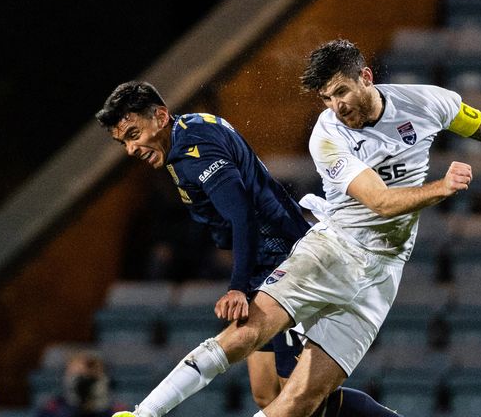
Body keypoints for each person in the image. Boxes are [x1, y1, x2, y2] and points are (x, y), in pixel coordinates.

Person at [105, 39, 481, 417]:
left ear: (365, 78)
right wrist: (440, 189)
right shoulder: (328, 134)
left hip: (382, 274)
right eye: (326, 97)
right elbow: (377, 202)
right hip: (331, 250)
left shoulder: (429, 103)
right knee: (248, 345)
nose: (335, 105)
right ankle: (144, 414)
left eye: (340, 91)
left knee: (296, 404)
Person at [96, 81, 398, 416]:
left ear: (161, 116)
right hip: (263, 263)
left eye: (134, 134)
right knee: (266, 393)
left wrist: (237, 287)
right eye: (122, 141)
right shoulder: (187, 131)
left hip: (284, 262)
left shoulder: (195, 150)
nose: (130, 149)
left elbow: (243, 216)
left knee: (299, 400)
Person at [36, 350, 112, 417]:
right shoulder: (51, 411)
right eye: (78, 377)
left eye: (91, 378)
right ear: (66, 377)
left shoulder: (117, 412)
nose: (84, 384)